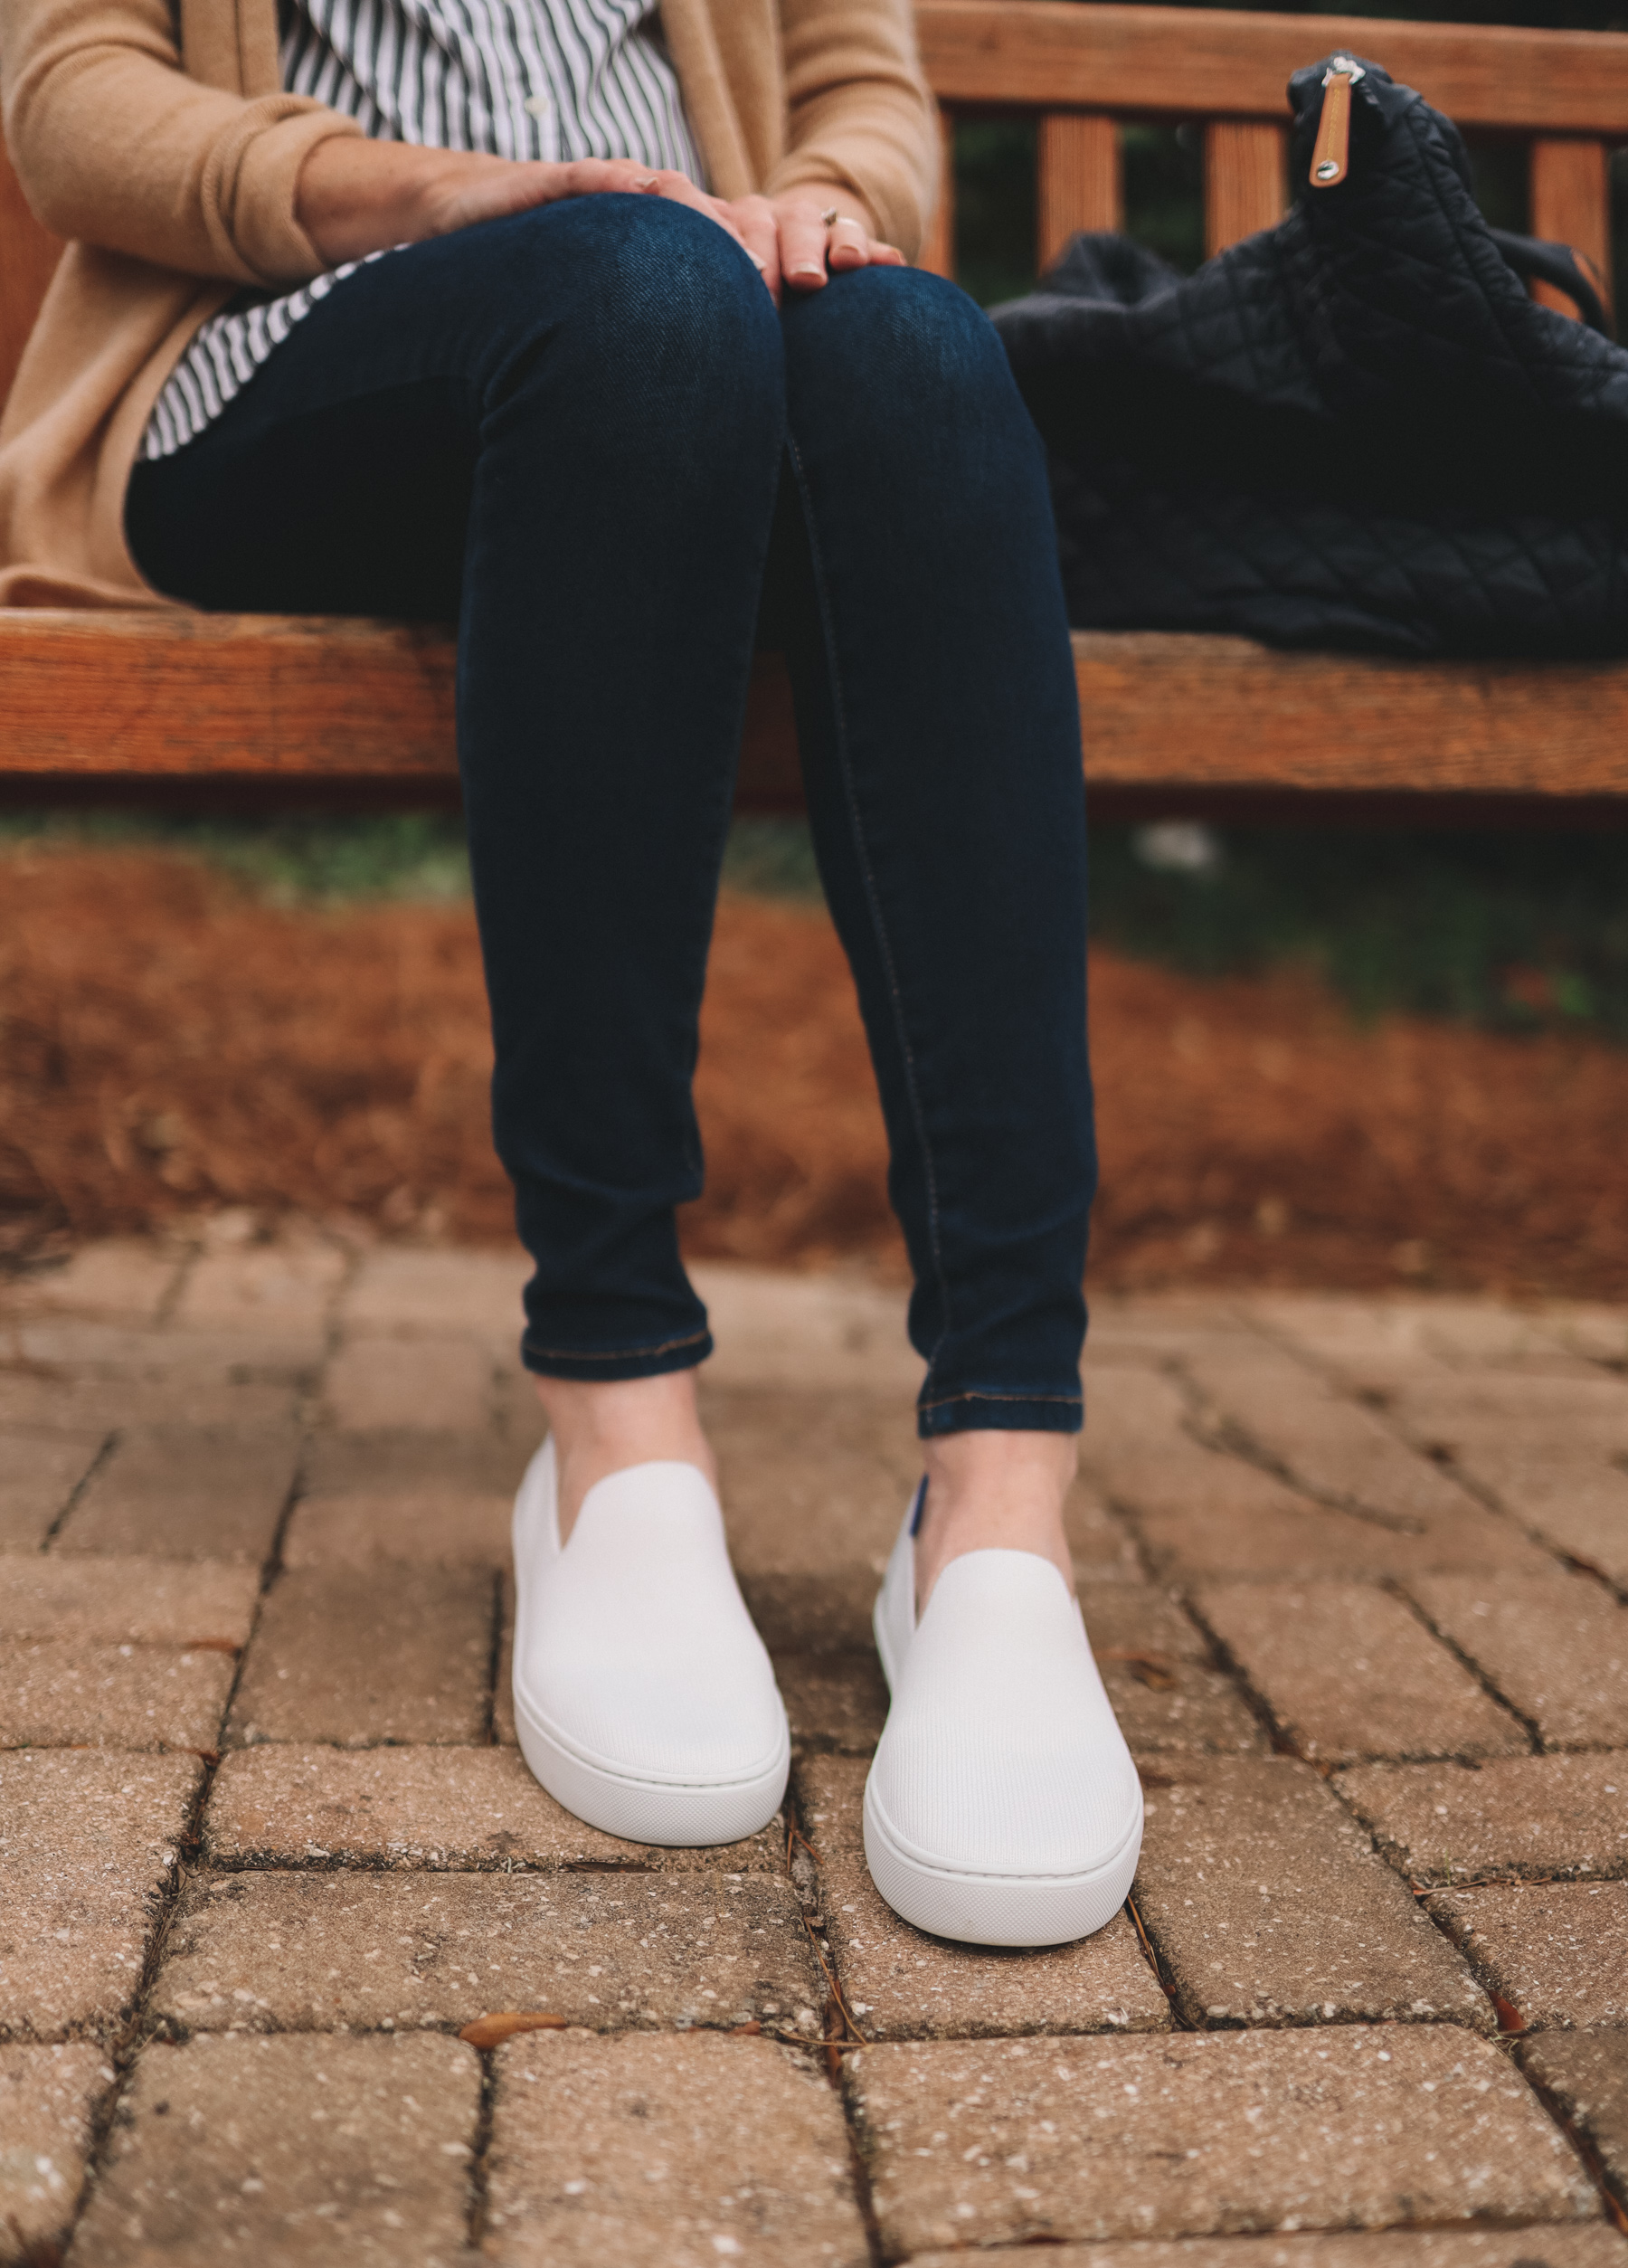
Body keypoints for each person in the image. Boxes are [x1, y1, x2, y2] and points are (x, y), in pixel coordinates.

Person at [0, 0, 1141, 1945]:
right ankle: (614, 1417)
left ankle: (998, 1492)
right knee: (630, 289)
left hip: (721, 339)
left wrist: (814, 209)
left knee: (922, 350)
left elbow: (863, 83)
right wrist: (438, 195)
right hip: (296, 353)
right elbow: (72, 98)